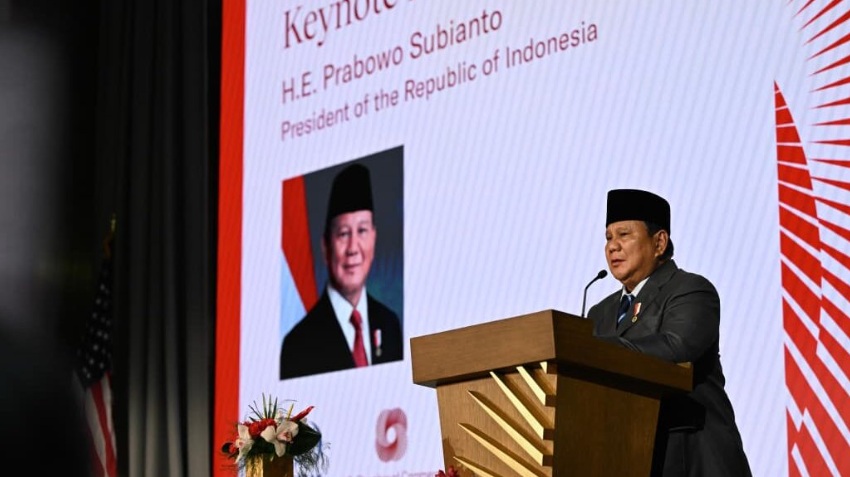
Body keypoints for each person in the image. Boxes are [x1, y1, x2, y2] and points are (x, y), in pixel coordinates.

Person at [587, 189, 752, 476]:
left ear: (659, 242)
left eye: (624, 235)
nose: (612, 246)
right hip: (629, 457)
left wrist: (591, 349)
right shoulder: (600, 313)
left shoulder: (690, 290)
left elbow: (675, 347)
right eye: (608, 238)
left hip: (692, 456)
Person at [280, 163, 403, 379]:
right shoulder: (298, 343)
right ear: (326, 246)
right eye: (344, 234)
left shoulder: (390, 324)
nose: (353, 248)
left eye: (362, 231)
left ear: (374, 237)